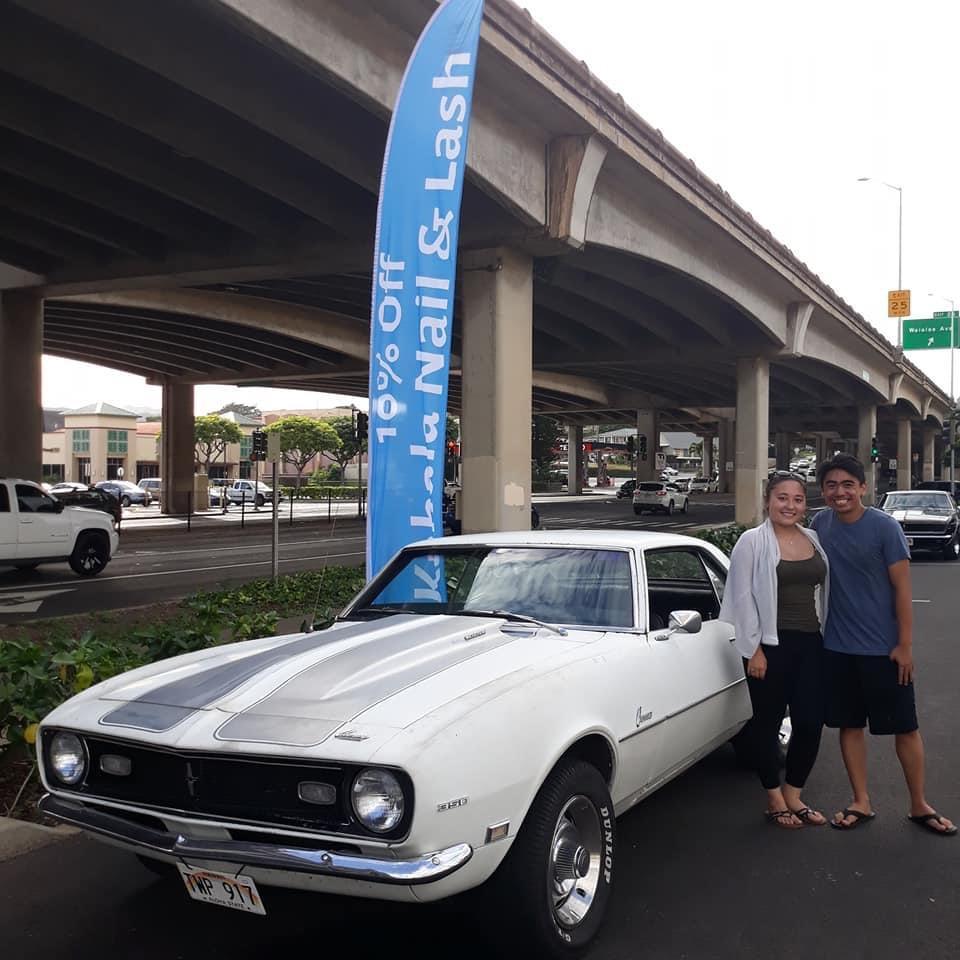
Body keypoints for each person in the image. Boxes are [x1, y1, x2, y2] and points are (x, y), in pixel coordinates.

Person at [810, 454, 955, 835]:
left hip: (883, 649)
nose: (839, 492)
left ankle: (919, 805)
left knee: (905, 728)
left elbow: (903, 590)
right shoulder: (819, 523)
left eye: (847, 485)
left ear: (862, 487)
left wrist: (904, 645)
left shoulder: (884, 527)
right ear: (823, 491)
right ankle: (861, 801)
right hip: (837, 648)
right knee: (849, 725)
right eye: (831, 485)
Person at [720, 472, 830, 828]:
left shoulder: (811, 537)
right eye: (782, 498)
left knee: (811, 722)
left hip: (811, 642)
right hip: (769, 645)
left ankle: (795, 793)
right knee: (766, 725)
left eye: (797, 499)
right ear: (768, 500)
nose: (790, 505)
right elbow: (741, 597)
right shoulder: (752, 542)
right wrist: (753, 650)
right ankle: (773, 796)